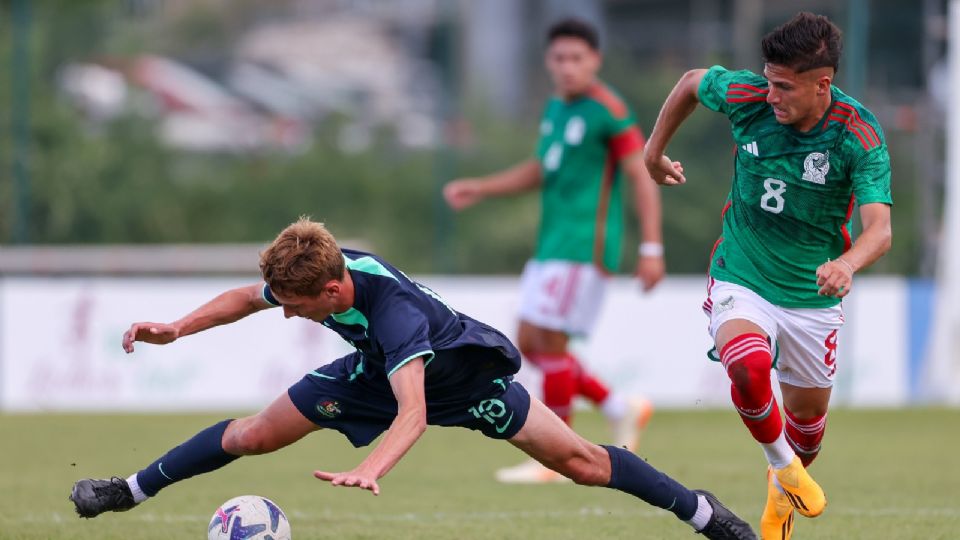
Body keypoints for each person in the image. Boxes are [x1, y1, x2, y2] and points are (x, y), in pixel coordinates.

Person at [69, 218, 756, 540]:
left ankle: (701, 513)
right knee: (252, 435)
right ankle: (125, 492)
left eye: (300, 306)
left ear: (335, 290)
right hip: (370, 373)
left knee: (579, 462)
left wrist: (374, 467)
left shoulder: (393, 315)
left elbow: (413, 415)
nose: (289, 314)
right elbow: (250, 299)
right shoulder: (314, 274)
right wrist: (176, 328)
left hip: (458, 378)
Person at [642, 12, 892, 540]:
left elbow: (880, 231)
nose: (771, 95)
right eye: (768, 80)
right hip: (742, 273)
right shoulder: (750, 96)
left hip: (811, 294)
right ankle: (782, 467)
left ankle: (785, 480)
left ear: (822, 84)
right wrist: (653, 152)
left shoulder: (857, 135)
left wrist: (846, 264)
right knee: (750, 369)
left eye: (784, 86)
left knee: (808, 430)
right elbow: (691, 82)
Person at [444, 18, 664, 484]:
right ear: (549, 62)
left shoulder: (608, 109)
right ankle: (620, 407)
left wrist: (650, 246)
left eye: (576, 58)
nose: (567, 67)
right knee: (528, 344)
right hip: (552, 245)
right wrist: (481, 188)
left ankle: (558, 457)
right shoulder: (557, 109)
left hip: (584, 247)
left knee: (551, 343)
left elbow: (639, 171)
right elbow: (542, 170)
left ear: (594, 61)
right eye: (559, 58)